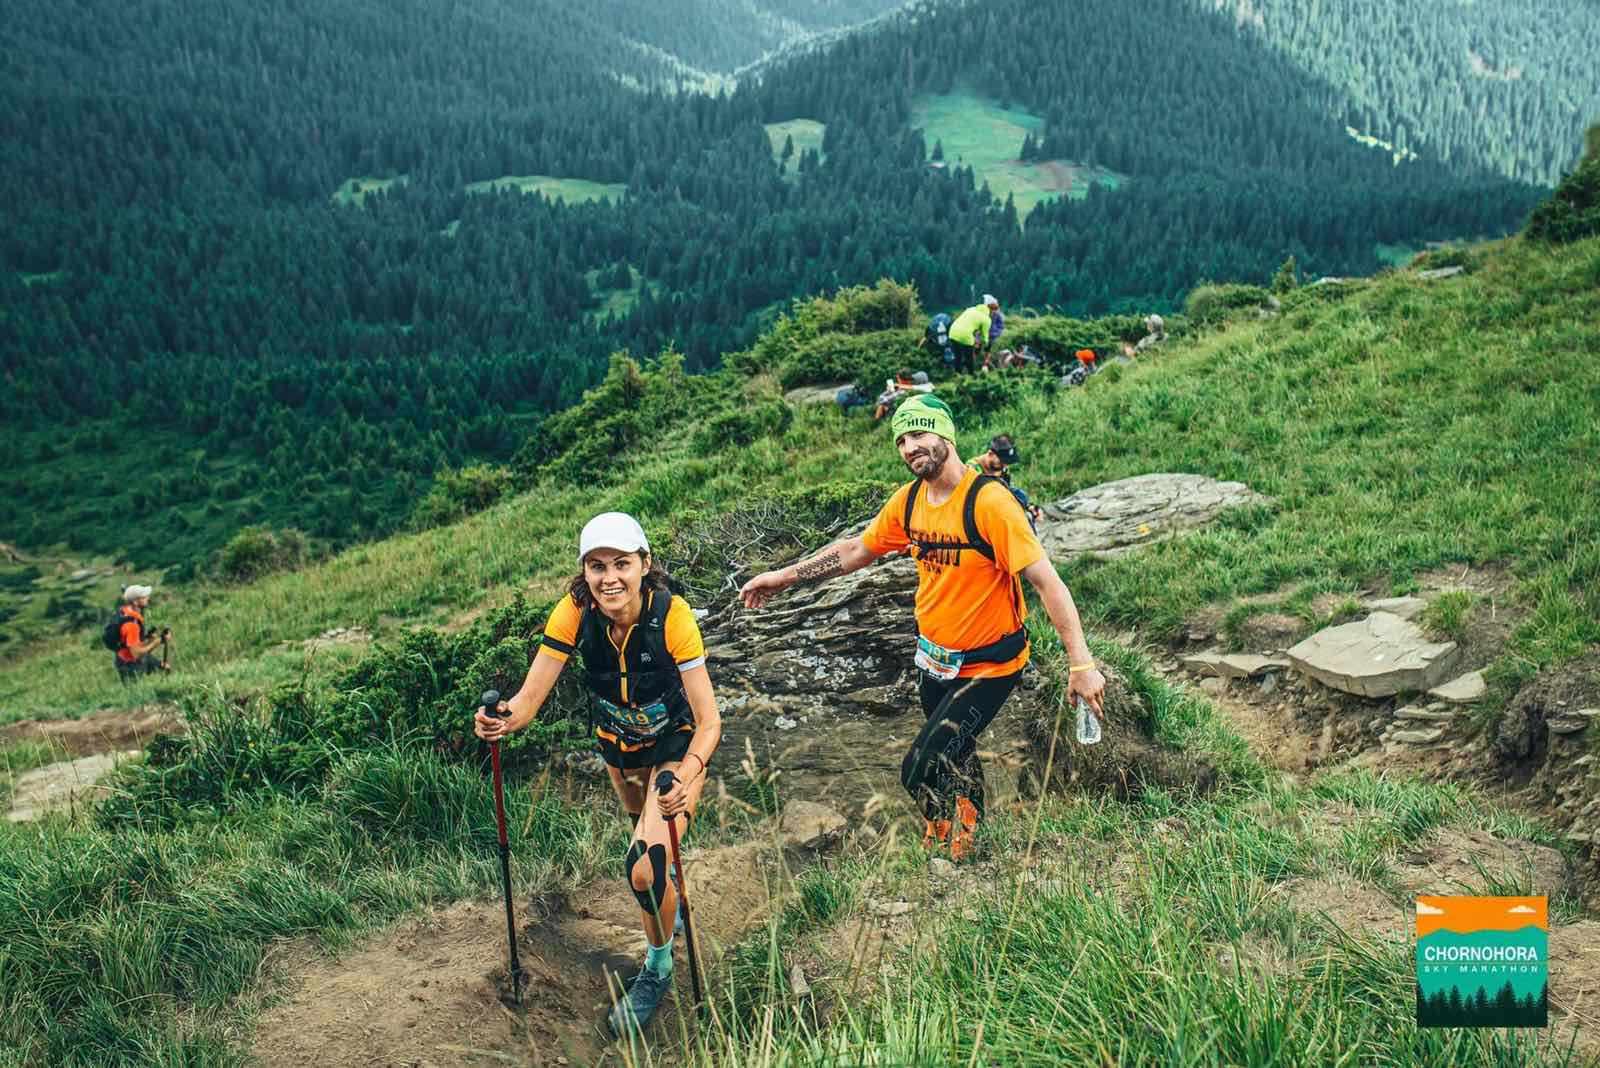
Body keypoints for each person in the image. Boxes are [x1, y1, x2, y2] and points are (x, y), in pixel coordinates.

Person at [739, 396, 1105, 862]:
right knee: (958, 749)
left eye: (919, 433)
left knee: (919, 766)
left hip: (990, 666)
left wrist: (1081, 663)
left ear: (946, 437)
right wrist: (783, 577)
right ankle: (961, 836)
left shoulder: (989, 503)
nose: (910, 446)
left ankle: (948, 830)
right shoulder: (909, 501)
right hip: (934, 660)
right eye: (902, 439)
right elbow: (856, 551)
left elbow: (1047, 582)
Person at [473, 512, 722, 1037]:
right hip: (617, 750)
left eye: (621, 564)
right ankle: (668, 895)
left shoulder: (672, 617)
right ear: (584, 571)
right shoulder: (574, 612)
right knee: (647, 845)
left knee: (643, 868)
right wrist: (500, 721)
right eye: (596, 565)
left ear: (645, 565)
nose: (609, 577)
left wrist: (690, 772)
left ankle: (657, 967)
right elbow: (528, 700)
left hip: (676, 746)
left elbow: (709, 720)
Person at [971, 434, 1044, 528]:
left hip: (1000, 507)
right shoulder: (972, 470)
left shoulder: (1001, 468)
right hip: (981, 513)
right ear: (990, 454)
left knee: (1021, 497)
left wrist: (1029, 507)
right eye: (1001, 462)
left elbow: (1009, 490)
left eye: (1006, 463)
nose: (1004, 466)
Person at [110, 585, 169, 682]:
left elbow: (134, 645)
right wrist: (159, 641)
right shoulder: (131, 624)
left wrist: (149, 639)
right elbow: (136, 653)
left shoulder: (127, 613)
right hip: (130, 666)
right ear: (135, 602)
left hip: (128, 659)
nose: (148, 598)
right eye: (144, 597)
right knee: (135, 691)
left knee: (162, 668)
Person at [947, 295, 999, 374]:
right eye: (994, 311)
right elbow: (985, 338)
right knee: (969, 360)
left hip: (952, 332)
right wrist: (985, 346)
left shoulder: (971, 309)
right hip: (965, 335)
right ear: (991, 310)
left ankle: (957, 376)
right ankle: (971, 376)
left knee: (958, 358)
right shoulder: (987, 319)